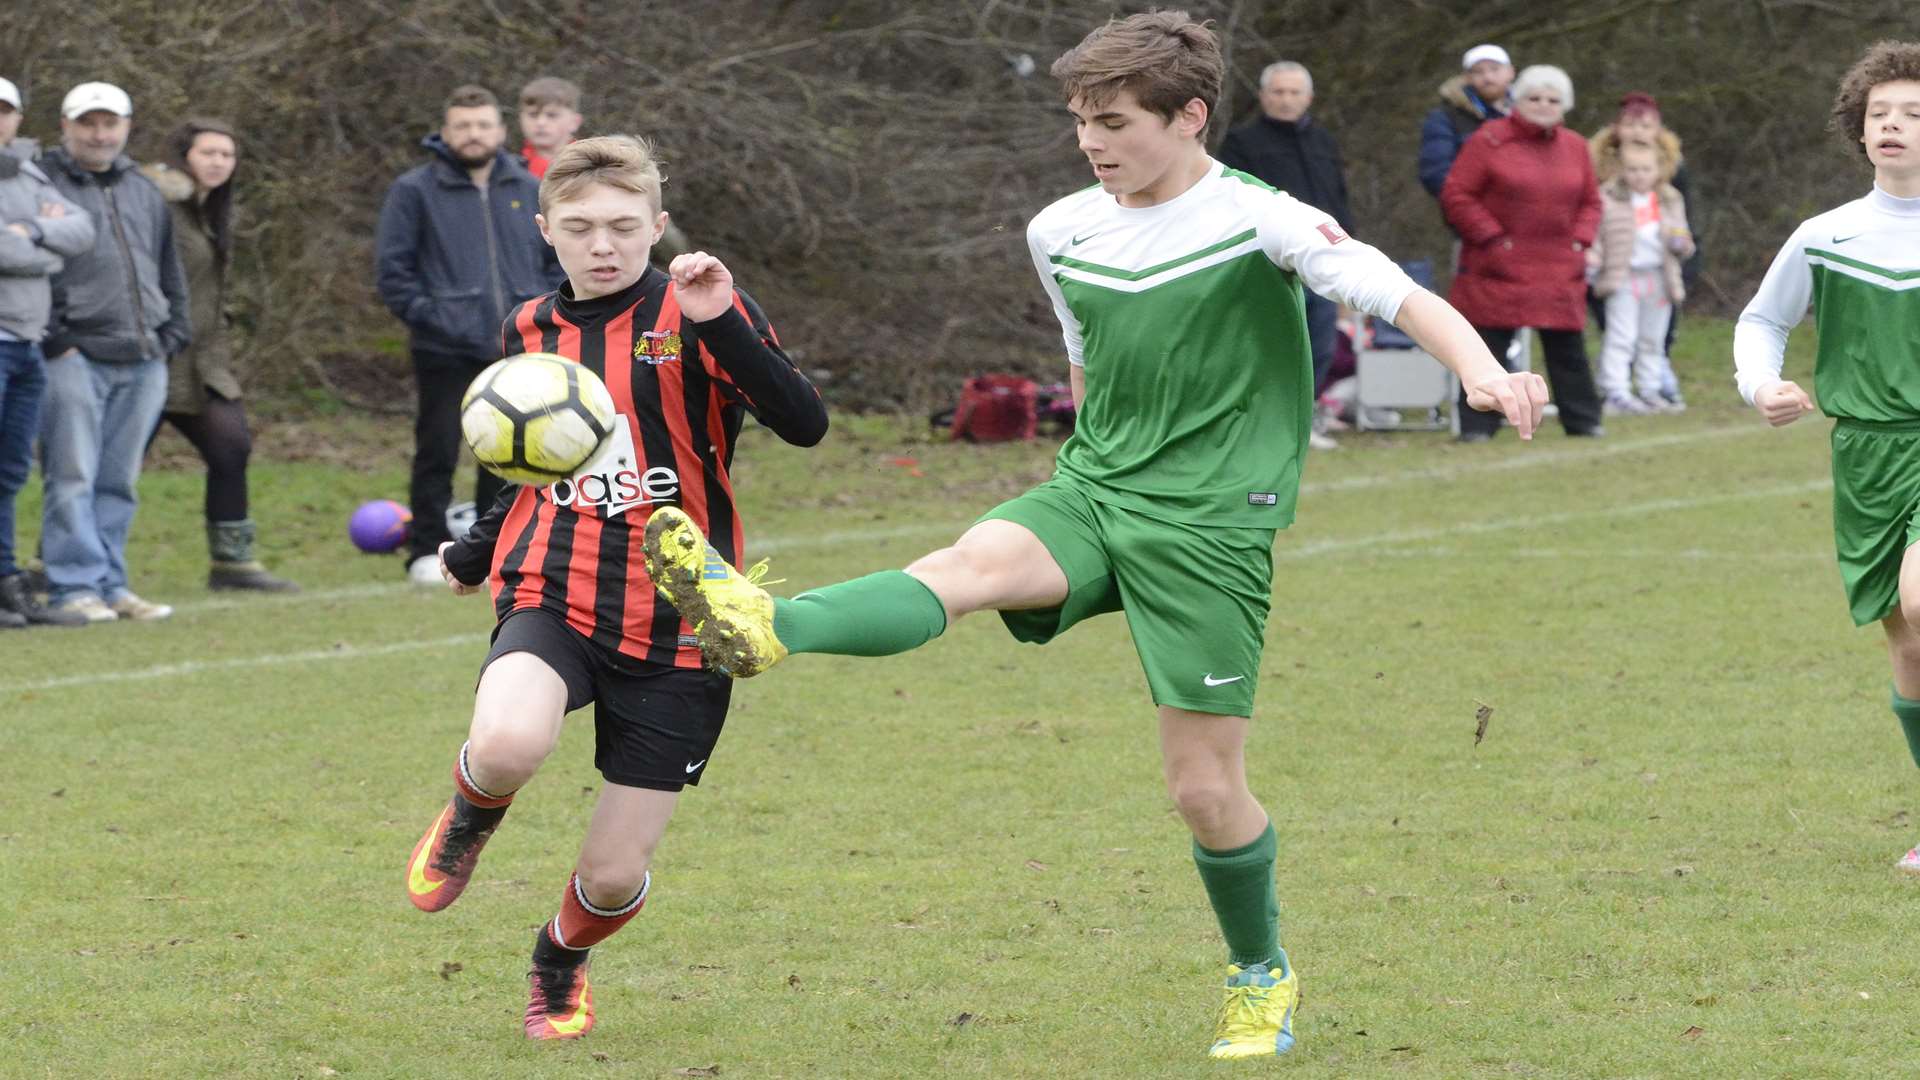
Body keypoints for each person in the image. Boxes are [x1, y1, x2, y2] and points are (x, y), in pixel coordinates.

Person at [637, 10, 1547, 1061]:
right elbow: (1086, 365)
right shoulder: (1061, 230)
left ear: (1190, 116)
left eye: (1113, 121)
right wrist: (1077, 468)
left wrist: (1480, 370)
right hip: (1096, 489)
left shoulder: (1266, 220)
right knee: (968, 566)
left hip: (1209, 525)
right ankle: (768, 618)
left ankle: (1260, 972)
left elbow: (1397, 295)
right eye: (1080, 122)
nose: (1093, 142)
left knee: (1203, 791)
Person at [404, 135, 827, 1040]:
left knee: (608, 876)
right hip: (553, 585)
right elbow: (534, 459)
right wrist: (478, 549)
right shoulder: (526, 330)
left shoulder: (701, 306)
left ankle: (560, 958)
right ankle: (471, 817)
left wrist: (720, 322)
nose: (605, 244)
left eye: (625, 227)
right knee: (510, 741)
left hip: (685, 616)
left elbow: (803, 422)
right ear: (546, 229)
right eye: (583, 227)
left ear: (658, 226)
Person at [1733, 41, 1920, 871]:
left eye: (1914, 114)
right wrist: (1758, 386)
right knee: (1906, 643)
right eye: (1881, 113)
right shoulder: (1827, 233)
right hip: (1864, 456)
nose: (1895, 126)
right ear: (1858, 127)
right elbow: (1762, 321)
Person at [375, 85, 563, 585]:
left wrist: (538, 312)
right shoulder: (414, 190)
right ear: (446, 130)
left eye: (483, 125)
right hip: (444, 348)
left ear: (501, 132)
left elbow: (555, 261)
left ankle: (496, 549)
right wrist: (436, 317)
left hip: (518, 345)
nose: (473, 134)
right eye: (463, 125)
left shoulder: (528, 187)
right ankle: (424, 549)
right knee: (437, 448)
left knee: (511, 452)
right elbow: (394, 274)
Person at [39, 81, 188, 623]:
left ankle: (110, 582)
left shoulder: (143, 189)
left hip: (146, 354)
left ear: (125, 127)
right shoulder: (45, 184)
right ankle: (73, 586)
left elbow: (169, 268)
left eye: (110, 123)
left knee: (118, 479)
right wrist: (59, 339)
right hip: (76, 354)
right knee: (71, 475)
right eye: (88, 123)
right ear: (66, 126)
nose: (99, 134)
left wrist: (174, 333)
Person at [142, 120, 298, 592]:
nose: (217, 162)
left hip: (204, 363)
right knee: (115, 463)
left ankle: (232, 564)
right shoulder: (159, 204)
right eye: (207, 153)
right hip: (151, 355)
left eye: (226, 155)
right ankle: (64, 564)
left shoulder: (213, 211)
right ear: (184, 156)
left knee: (231, 446)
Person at [1440, 63, 1605, 442]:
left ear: (1565, 106)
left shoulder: (1576, 146)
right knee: (1486, 348)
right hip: (1497, 264)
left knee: (1567, 349)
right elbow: (1457, 194)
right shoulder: (1489, 140)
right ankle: (1478, 425)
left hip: (1559, 264)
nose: (1543, 105)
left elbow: (1591, 202)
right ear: (1517, 99)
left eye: (1553, 99)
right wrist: (1492, 237)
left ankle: (1583, 421)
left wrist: (1580, 239)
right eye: (1534, 97)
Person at [1217, 60, 1352, 448]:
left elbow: (1338, 201)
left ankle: (1302, 422)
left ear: (1308, 98)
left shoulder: (1324, 142)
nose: (1286, 100)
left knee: (1321, 343)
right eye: (1278, 92)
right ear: (1263, 96)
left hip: (1323, 259)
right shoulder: (1242, 143)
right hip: (1269, 260)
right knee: (1270, 344)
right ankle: (1259, 424)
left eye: (1294, 92)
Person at [0, 76, 94, 628]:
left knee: (10, 471)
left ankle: (6, 583)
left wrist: (29, 233)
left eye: (5, 111)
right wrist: (44, 243)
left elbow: (81, 230)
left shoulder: (29, 171)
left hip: (27, 342)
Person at [1590, 91, 1701, 391]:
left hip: (1659, 275)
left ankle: (1652, 388)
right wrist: (1593, 259)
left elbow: (1684, 229)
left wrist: (1683, 248)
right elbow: (1593, 227)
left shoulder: (1669, 193)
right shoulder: (1606, 191)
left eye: (1646, 125)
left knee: (1654, 337)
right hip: (1619, 274)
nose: (1638, 132)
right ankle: (1615, 389)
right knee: (1620, 335)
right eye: (1630, 124)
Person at [518, 75, 691, 266]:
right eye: (533, 115)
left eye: (551, 115)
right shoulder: (509, 172)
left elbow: (669, 242)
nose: (541, 123)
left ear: (574, 121)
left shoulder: (604, 166)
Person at [1418, 43, 1513, 198]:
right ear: (1467, 78)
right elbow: (1435, 173)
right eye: (1478, 72)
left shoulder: (1530, 114)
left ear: (1510, 72)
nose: (1488, 77)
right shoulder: (1445, 117)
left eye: (1495, 69)